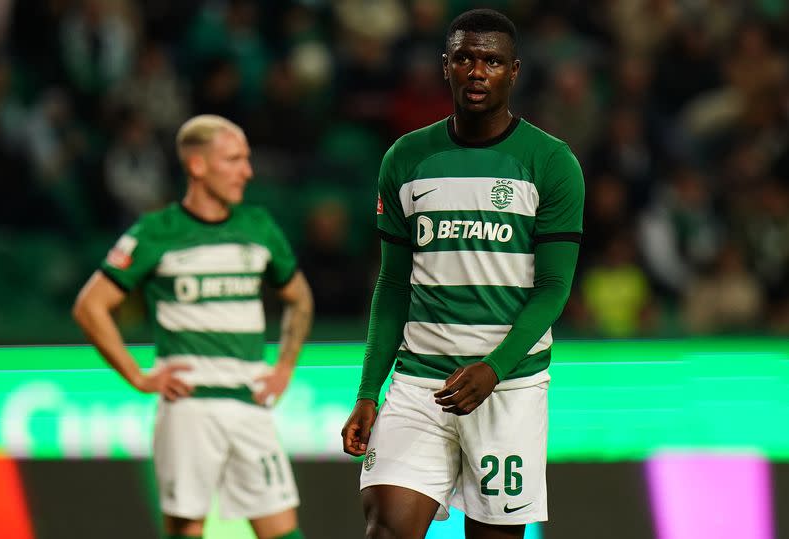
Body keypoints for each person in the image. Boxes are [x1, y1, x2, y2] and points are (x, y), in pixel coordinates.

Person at [341, 9, 584, 539]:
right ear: (445, 67)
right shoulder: (405, 158)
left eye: (492, 61)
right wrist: (367, 392)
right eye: (465, 58)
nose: (477, 71)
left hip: (508, 386)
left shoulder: (551, 162)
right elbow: (392, 286)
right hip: (419, 383)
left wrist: (493, 368)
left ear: (514, 71)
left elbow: (554, 287)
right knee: (385, 530)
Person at [73, 114, 313, 539]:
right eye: (234, 159)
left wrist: (285, 366)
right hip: (189, 405)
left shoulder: (259, 227)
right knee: (187, 530)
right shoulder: (156, 232)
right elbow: (90, 306)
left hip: (249, 399)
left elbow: (300, 297)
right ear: (198, 165)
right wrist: (137, 375)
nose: (247, 171)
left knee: (283, 529)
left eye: (247, 159)